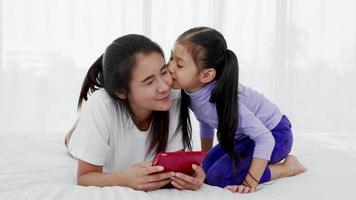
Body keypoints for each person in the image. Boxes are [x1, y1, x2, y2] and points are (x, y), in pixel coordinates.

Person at [167, 27, 307, 193]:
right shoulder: (189, 92)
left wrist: (249, 183)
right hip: (243, 138)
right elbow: (204, 119)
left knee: (219, 177)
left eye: (179, 64)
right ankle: (254, 162)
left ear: (206, 75)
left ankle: (287, 168)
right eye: (171, 58)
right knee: (205, 170)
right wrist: (205, 155)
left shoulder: (225, 99)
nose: (170, 67)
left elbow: (265, 138)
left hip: (276, 134)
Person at [65, 34, 205, 191]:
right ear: (121, 92)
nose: (164, 87)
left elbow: (174, 168)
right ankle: (74, 132)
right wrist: (123, 179)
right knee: (74, 141)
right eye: (149, 82)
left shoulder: (174, 97)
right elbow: (85, 177)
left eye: (164, 71)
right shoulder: (102, 104)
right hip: (88, 130)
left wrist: (190, 178)